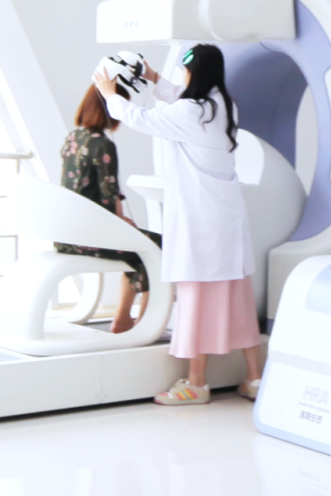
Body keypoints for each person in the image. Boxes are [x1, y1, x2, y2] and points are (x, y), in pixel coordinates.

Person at [93, 44, 262, 406]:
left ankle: (196, 384)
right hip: (227, 221)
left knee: (195, 300)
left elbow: (144, 119)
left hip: (200, 222)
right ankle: (255, 379)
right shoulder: (223, 105)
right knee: (239, 300)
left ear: (192, 73)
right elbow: (184, 100)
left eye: (185, 71)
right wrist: (155, 79)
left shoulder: (190, 111)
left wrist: (110, 95)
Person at [54, 83, 163, 334]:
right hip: (92, 237)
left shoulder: (72, 137)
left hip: (67, 235)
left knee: (142, 248)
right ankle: (142, 323)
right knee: (158, 245)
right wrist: (123, 222)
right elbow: (108, 194)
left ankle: (123, 319)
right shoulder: (103, 145)